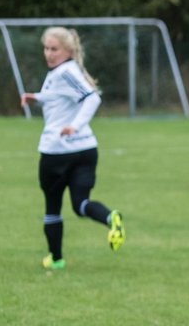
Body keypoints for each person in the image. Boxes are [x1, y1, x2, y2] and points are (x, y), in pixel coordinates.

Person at [20, 27, 125, 270]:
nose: (48, 53)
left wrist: (74, 126)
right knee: (80, 204)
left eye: (54, 49)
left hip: (57, 151)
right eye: (46, 48)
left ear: (68, 50)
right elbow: (58, 96)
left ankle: (55, 259)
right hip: (86, 149)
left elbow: (92, 97)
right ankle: (111, 218)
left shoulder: (65, 72)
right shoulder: (64, 72)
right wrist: (35, 97)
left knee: (52, 206)